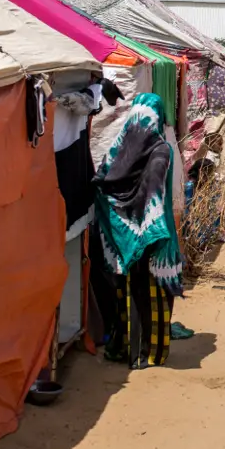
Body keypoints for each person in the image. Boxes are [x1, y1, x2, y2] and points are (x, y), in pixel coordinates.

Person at [92, 93, 184, 369]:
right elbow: (156, 194)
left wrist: (121, 224)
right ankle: (149, 353)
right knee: (153, 297)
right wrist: (151, 230)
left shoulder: (120, 147)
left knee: (128, 293)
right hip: (155, 236)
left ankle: (127, 350)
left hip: (125, 238)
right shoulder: (161, 150)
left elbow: (101, 181)